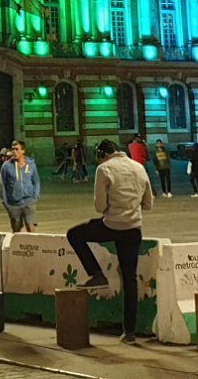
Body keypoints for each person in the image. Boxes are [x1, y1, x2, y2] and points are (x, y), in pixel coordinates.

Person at [66, 139, 153, 345]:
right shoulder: (138, 167)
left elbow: (99, 205)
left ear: (102, 154)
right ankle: (129, 333)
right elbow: (148, 203)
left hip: (112, 225)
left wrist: (110, 210)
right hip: (133, 228)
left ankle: (97, 274)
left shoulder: (104, 169)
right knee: (129, 280)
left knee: (75, 235)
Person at [0, 139, 40, 233]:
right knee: (16, 230)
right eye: (13, 149)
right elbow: (2, 185)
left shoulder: (31, 165)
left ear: (23, 151)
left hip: (28, 202)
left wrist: (35, 196)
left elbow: (36, 181)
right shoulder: (6, 166)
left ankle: (33, 246)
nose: (14, 152)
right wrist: (5, 202)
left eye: (17, 149)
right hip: (13, 204)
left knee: (30, 227)